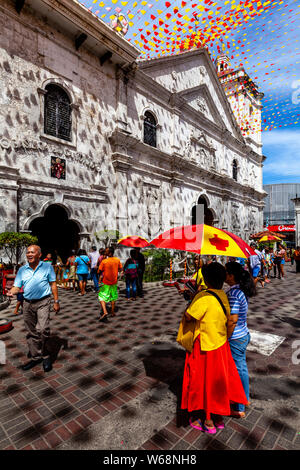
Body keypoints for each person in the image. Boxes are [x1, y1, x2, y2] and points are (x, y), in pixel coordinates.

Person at [180, 262, 247, 433]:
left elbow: (188, 316)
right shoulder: (222, 295)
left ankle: (208, 422)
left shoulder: (204, 297)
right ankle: (217, 418)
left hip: (205, 345)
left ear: (206, 279)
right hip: (221, 343)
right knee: (218, 382)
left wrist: (194, 298)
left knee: (204, 382)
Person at [8, 245, 60, 372]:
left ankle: (46, 355)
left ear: (39, 254)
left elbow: (53, 284)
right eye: (27, 253)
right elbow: (17, 286)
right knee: (31, 332)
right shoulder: (22, 270)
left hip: (43, 301)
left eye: (32, 252)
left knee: (42, 329)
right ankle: (36, 357)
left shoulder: (47, 267)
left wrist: (56, 301)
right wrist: (12, 292)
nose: (29, 254)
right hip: (27, 303)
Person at [225, 261, 256, 418]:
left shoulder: (234, 294)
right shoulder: (239, 289)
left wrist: (226, 336)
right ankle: (245, 399)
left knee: (237, 370)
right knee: (241, 368)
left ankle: (239, 408)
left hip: (235, 337)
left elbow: (232, 319)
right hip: (243, 334)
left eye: (226, 272)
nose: (224, 275)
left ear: (231, 275)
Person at [98, 247, 122, 322]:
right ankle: (112, 312)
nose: (105, 252)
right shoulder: (117, 260)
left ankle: (105, 311)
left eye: (107, 251)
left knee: (101, 297)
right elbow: (120, 269)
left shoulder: (104, 261)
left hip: (106, 282)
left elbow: (98, 271)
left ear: (110, 253)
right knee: (113, 297)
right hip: (114, 282)